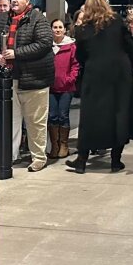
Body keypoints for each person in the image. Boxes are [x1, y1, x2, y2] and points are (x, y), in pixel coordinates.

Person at [66, 0, 133, 174]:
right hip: (120, 75)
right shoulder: (117, 22)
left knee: (90, 116)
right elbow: (130, 45)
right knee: (119, 113)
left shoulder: (83, 29)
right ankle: (116, 161)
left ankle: (82, 161)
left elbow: (80, 56)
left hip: (95, 75)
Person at [0, 0, 54, 172]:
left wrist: (17, 53)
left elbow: (45, 42)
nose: (14, 0)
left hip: (34, 79)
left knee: (35, 122)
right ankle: (10, 155)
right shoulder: (4, 19)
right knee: (10, 120)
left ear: (28, 1)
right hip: (10, 80)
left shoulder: (37, 19)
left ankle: (39, 157)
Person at [48, 18, 79, 160]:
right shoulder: (47, 46)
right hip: (51, 88)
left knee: (63, 115)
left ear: (64, 30)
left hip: (67, 88)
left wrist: (70, 79)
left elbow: (75, 65)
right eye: (55, 27)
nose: (58, 29)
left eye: (60, 27)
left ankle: (64, 145)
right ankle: (54, 145)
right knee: (52, 116)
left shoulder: (71, 46)